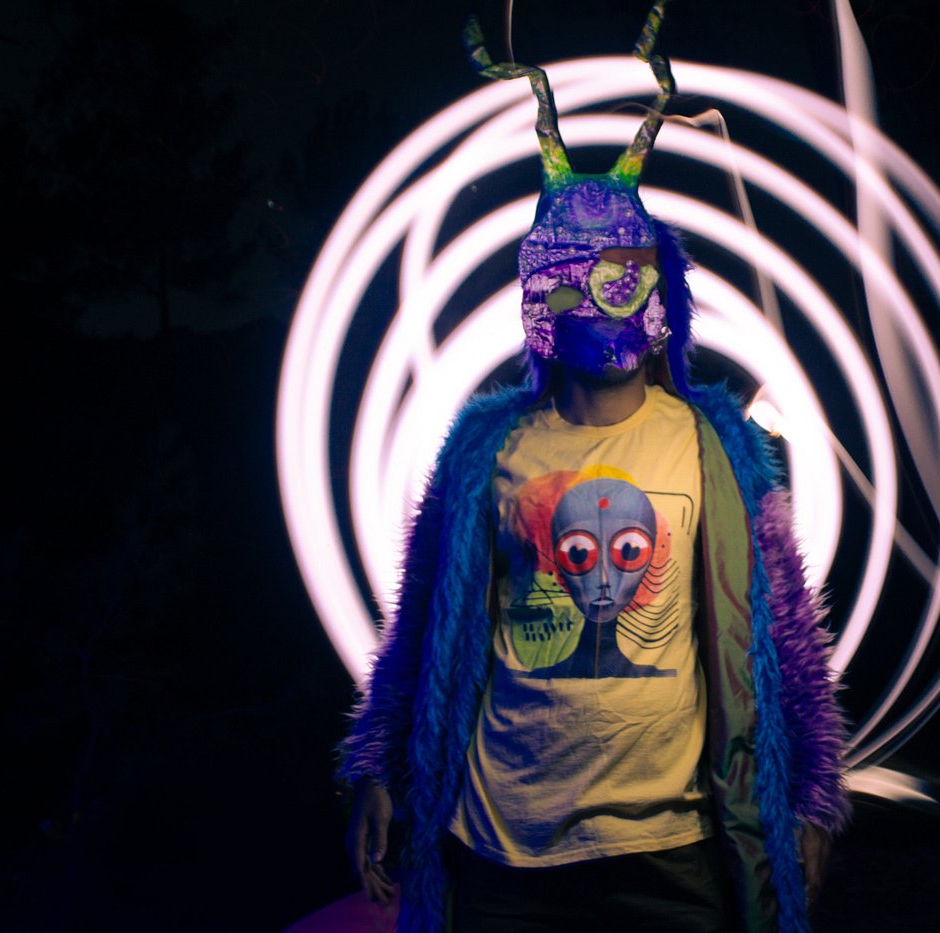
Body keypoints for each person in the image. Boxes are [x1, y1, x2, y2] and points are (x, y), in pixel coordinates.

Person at [339, 4, 850, 930]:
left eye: (626, 274)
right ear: (542, 303)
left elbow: (782, 631)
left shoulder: (719, 447)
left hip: (674, 855)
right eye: (579, 277)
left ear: (662, 295)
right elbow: (423, 626)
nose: (606, 300)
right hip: (502, 855)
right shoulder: (484, 451)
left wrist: (811, 789)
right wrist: (378, 764)